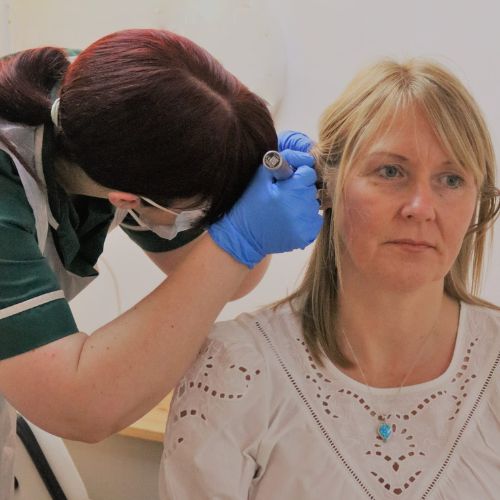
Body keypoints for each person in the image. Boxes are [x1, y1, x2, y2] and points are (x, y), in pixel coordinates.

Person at [0, 28, 323, 498]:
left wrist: (249, 186)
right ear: (128, 198)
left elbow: (225, 277)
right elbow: (77, 406)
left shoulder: (103, 108)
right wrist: (238, 236)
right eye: (197, 208)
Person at [161, 58, 500, 499]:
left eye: (451, 179)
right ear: (327, 184)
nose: (421, 206)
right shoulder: (236, 369)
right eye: (390, 171)